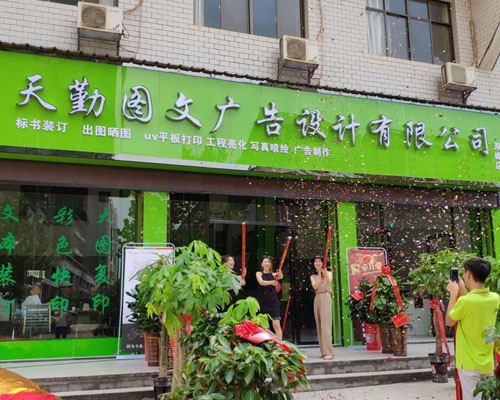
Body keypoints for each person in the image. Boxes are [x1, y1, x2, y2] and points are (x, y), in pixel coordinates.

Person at [445, 257, 500, 400]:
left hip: (468, 362)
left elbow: (449, 321)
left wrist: (453, 295)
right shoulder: (495, 298)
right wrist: (463, 289)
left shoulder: (465, 301)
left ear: (468, 274)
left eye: (464, 272)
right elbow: (474, 303)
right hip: (487, 361)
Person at [310, 256, 335, 360]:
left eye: (320, 261)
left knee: (326, 325)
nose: (318, 263)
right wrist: (320, 280)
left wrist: (325, 275)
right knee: (319, 325)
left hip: (326, 296)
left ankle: (329, 352)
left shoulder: (328, 273)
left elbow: (328, 282)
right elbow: (315, 287)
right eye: (316, 261)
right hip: (317, 297)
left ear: (323, 263)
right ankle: (323, 351)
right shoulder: (313, 276)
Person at [256, 255, 283, 340]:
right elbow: (261, 282)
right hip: (264, 301)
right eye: (265, 262)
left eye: (269, 262)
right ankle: (266, 343)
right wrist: (272, 282)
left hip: (273, 301)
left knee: (276, 324)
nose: (267, 264)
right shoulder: (259, 273)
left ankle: (280, 344)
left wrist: (280, 272)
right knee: (264, 326)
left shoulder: (273, 274)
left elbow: (281, 276)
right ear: (262, 264)